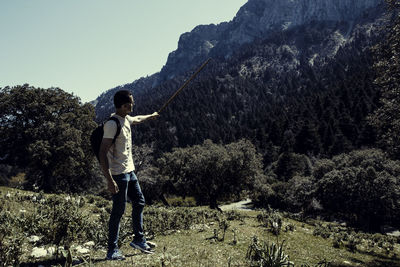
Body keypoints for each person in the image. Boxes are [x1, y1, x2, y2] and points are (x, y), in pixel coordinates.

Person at [99, 90, 159, 260]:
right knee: (118, 211)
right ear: (124, 105)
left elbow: (138, 119)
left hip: (130, 171)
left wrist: (151, 115)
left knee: (139, 201)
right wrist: (109, 180)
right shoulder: (112, 124)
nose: (133, 105)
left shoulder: (126, 119)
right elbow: (102, 152)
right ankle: (112, 250)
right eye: (131, 103)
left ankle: (138, 239)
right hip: (118, 174)